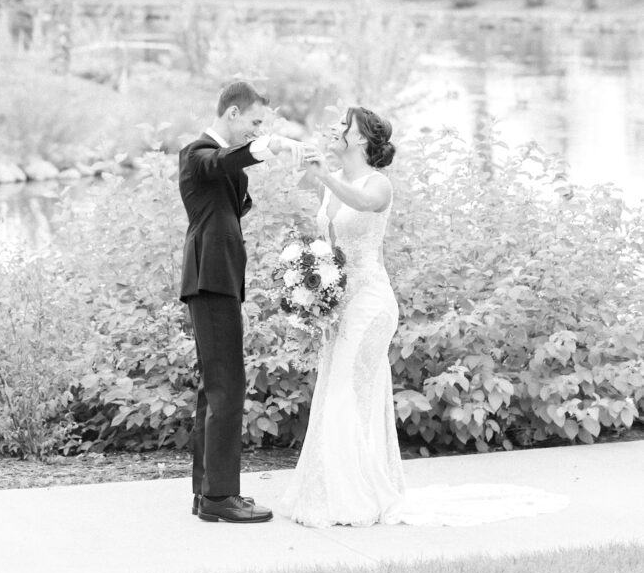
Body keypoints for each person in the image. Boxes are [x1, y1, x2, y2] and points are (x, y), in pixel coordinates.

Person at [280, 106, 569, 528]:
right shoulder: (331, 184)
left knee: (345, 388)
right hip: (341, 306)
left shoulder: (378, 184)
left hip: (372, 304)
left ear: (360, 139)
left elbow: (364, 204)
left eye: (345, 127)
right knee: (334, 389)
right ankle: (332, 489)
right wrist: (312, 288)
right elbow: (328, 245)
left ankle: (352, 497)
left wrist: (326, 174)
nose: (337, 131)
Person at [179, 79, 303, 525]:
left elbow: (231, 183)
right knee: (228, 388)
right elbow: (221, 161)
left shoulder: (221, 162)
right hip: (211, 282)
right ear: (232, 114)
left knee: (214, 391)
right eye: (253, 122)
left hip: (219, 281)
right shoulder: (196, 154)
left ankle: (206, 494)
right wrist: (269, 146)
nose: (255, 131)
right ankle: (222, 497)